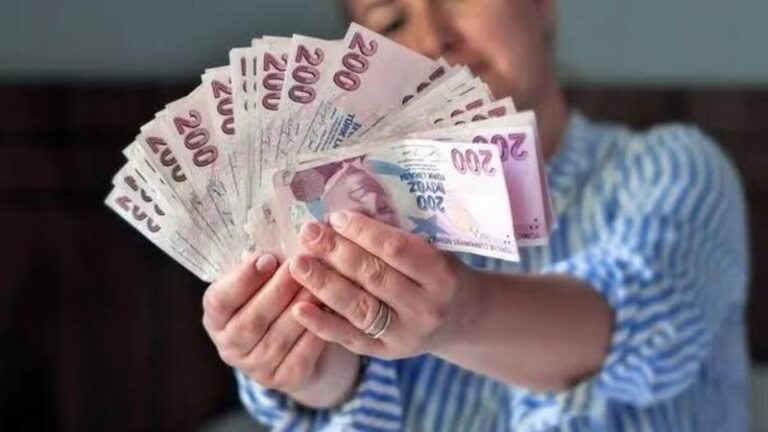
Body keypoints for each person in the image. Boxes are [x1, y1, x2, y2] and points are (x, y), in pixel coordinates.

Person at [201, 0, 750, 430]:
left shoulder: (671, 167)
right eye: (392, 21)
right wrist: (316, 370)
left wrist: (464, 312)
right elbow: (340, 391)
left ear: (540, 3)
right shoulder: (352, 214)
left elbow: (648, 329)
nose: (434, 37)